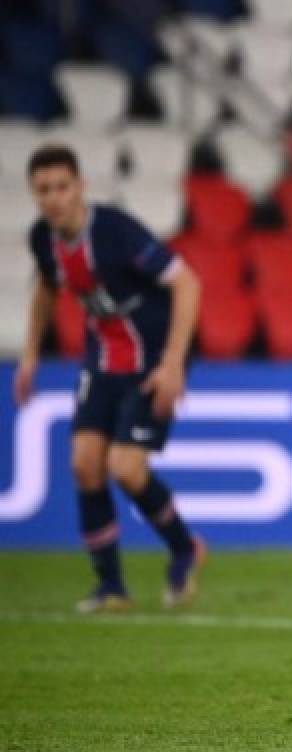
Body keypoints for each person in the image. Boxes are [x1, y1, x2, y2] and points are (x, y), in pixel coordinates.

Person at [14, 144, 205, 613]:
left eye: (62, 187)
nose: (55, 198)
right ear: (34, 195)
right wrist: (31, 356)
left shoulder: (116, 231)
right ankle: (111, 587)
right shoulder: (43, 238)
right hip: (103, 359)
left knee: (126, 468)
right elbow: (46, 288)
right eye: (44, 190)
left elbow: (187, 283)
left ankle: (183, 548)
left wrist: (173, 364)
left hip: (152, 358)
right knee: (84, 463)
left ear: (80, 187)